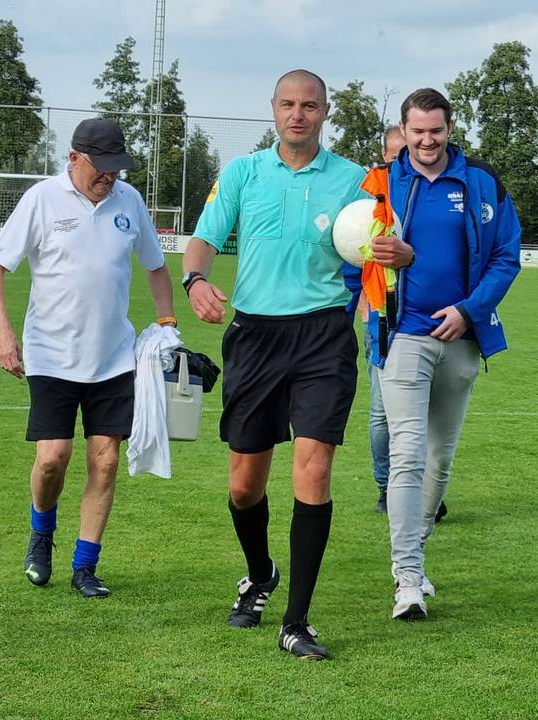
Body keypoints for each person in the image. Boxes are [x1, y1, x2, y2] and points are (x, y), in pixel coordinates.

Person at [180, 69, 368, 661]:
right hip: (255, 336)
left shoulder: (357, 181)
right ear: (273, 109)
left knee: (312, 474)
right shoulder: (242, 172)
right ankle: (260, 575)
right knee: (244, 486)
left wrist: (387, 265)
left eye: (309, 105)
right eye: (288, 104)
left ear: (325, 111)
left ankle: (297, 621)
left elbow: (379, 250)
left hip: (323, 336)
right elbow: (204, 240)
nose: (298, 114)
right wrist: (194, 279)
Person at [0, 118, 175, 599]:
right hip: (50, 355)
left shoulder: (128, 202)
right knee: (52, 459)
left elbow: (155, 266)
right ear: (74, 158)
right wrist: (4, 334)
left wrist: (168, 326)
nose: (110, 177)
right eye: (102, 168)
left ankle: (86, 565)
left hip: (114, 358)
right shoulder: (41, 199)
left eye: (117, 168)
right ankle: (41, 534)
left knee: (105, 462)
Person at [366, 88, 520, 621]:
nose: (426, 140)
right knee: (407, 452)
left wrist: (468, 311)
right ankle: (406, 577)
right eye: (417, 131)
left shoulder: (482, 182)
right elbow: (353, 254)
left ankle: (417, 551)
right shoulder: (380, 184)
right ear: (402, 132)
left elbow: (506, 257)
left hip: (461, 337)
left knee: (440, 457)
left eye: (435, 130)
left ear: (449, 128)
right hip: (403, 334)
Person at [344, 125, 406, 514]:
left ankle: (419, 488)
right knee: (383, 412)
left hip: (425, 316)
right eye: (395, 154)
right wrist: (362, 305)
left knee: (423, 416)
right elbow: (352, 256)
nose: (402, 160)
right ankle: (386, 488)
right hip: (381, 319)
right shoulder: (367, 199)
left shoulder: (430, 193)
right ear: (385, 154)